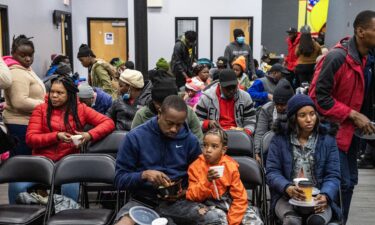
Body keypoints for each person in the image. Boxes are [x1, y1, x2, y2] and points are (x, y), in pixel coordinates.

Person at [115, 96, 227, 225]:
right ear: (159, 113)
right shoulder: (135, 137)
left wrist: (183, 192)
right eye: (170, 123)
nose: (174, 129)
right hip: (143, 201)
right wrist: (144, 175)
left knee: (216, 219)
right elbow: (119, 179)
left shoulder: (190, 141)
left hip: (179, 202)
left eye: (179, 124)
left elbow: (199, 178)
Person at [308, 10, 375, 223]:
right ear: (360, 31)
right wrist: (353, 115)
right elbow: (318, 98)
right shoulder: (337, 57)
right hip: (331, 133)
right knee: (340, 184)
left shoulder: (366, 59)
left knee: (350, 182)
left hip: (350, 133)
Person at [19, 76, 114, 204]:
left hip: (68, 164)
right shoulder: (41, 109)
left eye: (59, 93)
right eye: (52, 91)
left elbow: (108, 122)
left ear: (69, 94)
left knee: (69, 187)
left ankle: (67, 217)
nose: (54, 95)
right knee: (17, 186)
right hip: (42, 163)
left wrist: (88, 135)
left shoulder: (80, 109)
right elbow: (31, 139)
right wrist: (56, 136)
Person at [266, 94, 341, 225]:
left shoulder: (327, 140)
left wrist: (325, 195)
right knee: (292, 221)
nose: (309, 119)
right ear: (293, 118)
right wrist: (287, 188)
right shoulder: (279, 139)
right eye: (302, 115)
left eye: (312, 114)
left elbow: (333, 175)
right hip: (286, 197)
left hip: (317, 197)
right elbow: (272, 172)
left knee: (316, 222)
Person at [186, 128, 252, 225]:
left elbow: (240, 198)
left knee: (254, 221)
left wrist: (233, 222)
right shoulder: (195, 167)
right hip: (208, 207)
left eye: (214, 146)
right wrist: (206, 181)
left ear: (223, 150)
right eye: (205, 145)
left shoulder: (230, 166)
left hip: (232, 204)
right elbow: (191, 196)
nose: (208, 150)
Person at [3, 35, 46, 158]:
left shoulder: (25, 69)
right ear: (13, 54)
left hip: (28, 123)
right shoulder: (16, 72)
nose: (28, 59)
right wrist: (46, 105)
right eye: (23, 55)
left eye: (30, 55)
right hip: (20, 125)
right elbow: (20, 102)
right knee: (22, 165)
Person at [131, 78, 203, 141]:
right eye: (159, 105)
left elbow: (198, 139)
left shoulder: (187, 111)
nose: (173, 129)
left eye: (178, 125)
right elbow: (134, 141)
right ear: (153, 101)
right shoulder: (142, 115)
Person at [195, 69, 256, 135]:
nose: (231, 90)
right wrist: (208, 123)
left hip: (239, 135)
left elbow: (250, 121)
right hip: (214, 136)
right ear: (220, 85)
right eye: (227, 88)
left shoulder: (245, 97)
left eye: (234, 87)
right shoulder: (207, 97)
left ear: (237, 83)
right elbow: (196, 122)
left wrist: (246, 132)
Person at [254, 79, 294, 162]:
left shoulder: (296, 109)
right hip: (271, 147)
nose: (279, 107)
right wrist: (257, 152)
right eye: (277, 104)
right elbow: (260, 132)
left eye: (283, 104)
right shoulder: (266, 109)